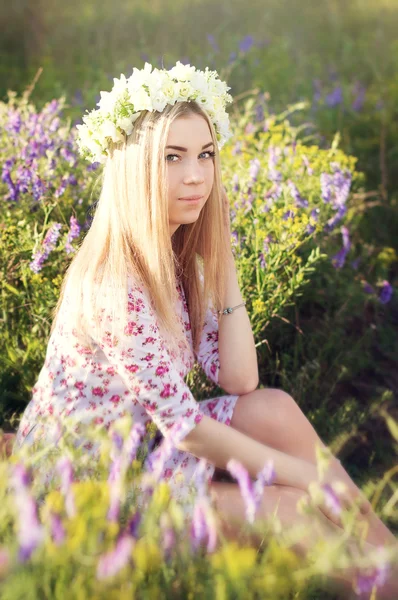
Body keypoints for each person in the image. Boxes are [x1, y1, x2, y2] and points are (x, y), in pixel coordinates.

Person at [11, 61, 397, 597]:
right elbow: (185, 428)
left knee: (274, 408)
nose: (196, 175)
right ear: (134, 169)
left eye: (205, 154)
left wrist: (223, 262)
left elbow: (238, 380)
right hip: (91, 487)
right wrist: (302, 475)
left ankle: (389, 562)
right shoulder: (113, 285)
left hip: (147, 449)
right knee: (286, 503)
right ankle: (378, 581)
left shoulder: (175, 259)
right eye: (172, 158)